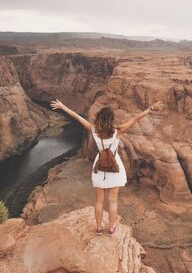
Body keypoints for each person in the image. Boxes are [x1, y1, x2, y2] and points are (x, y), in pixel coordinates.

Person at [50, 99, 164, 236]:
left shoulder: (94, 130)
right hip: (115, 169)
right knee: (113, 201)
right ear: (111, 120)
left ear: (99, 119)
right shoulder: (118, 132)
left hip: (100, 169)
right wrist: (150, 109)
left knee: (99, 201)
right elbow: (135, 119)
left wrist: (62, 106)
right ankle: (111, 229)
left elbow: (76, 116)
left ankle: (98, 229)